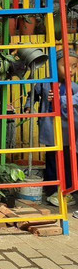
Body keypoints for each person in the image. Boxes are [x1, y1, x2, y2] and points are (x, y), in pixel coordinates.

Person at [25, 49, 78, 208]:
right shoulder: (44, 83)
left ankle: (68, 190)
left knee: (68, 160)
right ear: (54, 66)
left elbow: (74, 101)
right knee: (52, 158)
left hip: (69, 130)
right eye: (65, 66)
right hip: (50, 128)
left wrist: (60, 99)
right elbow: (32, 94)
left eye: (74, 66)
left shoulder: (74, 87)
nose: (70, 70)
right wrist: (29, 107)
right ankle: (51, 189)